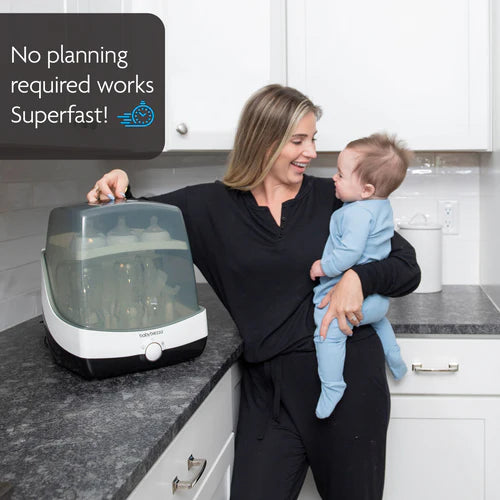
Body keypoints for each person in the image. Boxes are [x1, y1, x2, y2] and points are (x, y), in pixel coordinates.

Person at [87, 84, 420, 500]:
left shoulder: (336, 199)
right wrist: (116, 188)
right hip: (268, 395)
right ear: (263, 141)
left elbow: (407, 267)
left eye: (313, 138)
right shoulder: (210, 207)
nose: (312, 151)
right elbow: (136, 219)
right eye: (298, 140)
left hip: (348, 381)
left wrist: (358, 278)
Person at [310, 133, 411, 420]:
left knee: (327, 329)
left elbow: (349, 253)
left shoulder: (355, 213)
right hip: (376, 303)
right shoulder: (381, 206)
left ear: (366, 190)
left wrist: (323, 267)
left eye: (341, 175)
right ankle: (395, 358)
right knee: (378, 322)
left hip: (353, 302)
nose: (334, 178)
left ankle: (333, 386)